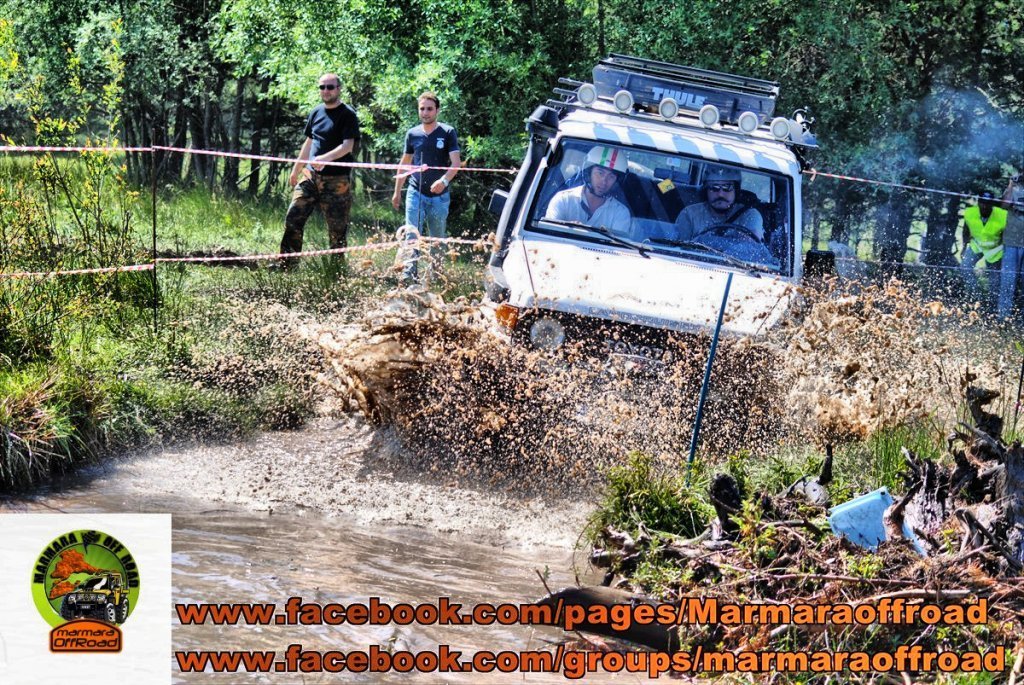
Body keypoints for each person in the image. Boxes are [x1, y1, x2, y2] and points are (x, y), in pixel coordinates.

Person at [279, 73, 360, 265]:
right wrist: (296, 169)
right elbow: (309, 142)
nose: (326, 91)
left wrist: (324, 158)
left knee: (337, 229)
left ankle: (336, 269)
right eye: (322, 87)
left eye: (330, 87)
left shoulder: (348, 114)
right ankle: (287, 265)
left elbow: (348, 146)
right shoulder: (316, 112)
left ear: (339, 89)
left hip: (336, 180)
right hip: (310, 176)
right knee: (293, 217)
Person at [391, 92, 461, 263]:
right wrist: (397, 192)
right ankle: (409, 274)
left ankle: (436, 274)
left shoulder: (448, 132)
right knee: (411, 235)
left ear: (437, 110)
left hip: (439, 197)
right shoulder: (412, 134)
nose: (425, 113)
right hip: (415, 192)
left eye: (429, 109)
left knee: (437, 240)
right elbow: (405, 164)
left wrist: (443, 181)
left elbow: (456, 163)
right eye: (422, 109)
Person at [544, 145, 631, 234]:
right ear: (589, 172)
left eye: (611, 176)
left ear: (616, 181)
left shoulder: (620, 213)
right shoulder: (563, 199)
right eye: (600, 173)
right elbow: (547, 235)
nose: (604, 181)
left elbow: (616, 242)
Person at [674, 165, 763, 242]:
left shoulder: (749, 215)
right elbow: (678, 248)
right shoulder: (689, 214)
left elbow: (752, 248)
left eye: (727, 187)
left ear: (736, 191)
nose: (720, 194)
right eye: (714, 187)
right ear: (706, 191)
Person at [960, 191, 1007, 307]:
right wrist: (964, 247)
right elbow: (965, 230)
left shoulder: (1003, 215)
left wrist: (1003, 253)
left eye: (988, 203)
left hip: (994, 249)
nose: (985, 206)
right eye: (982, 203)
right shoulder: (970, 213)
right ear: (978, 202)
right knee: (965, 266)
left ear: (992, 204)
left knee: (995, 280)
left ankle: (992, 305)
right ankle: (977, 297)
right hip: (977, 245)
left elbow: (1006, 236)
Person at [998, 175, 1024, 320]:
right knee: (1007, 283)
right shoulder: (1014, 189)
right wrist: (1010, 185)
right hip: (1012, 243)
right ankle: (1003, 318)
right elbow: (1004, 205)